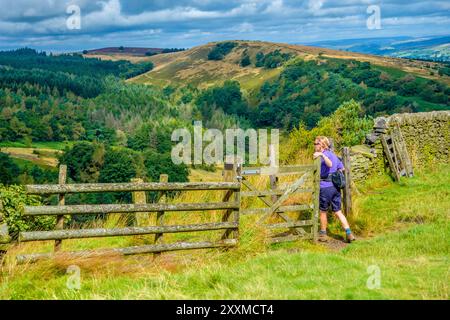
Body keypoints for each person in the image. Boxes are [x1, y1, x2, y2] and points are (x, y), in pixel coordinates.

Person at [313, 136, 356, 243]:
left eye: (315, 144)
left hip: (325, 187)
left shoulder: (324, 155)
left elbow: (330, 164)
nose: (314, 145)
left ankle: (323, 235)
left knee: (323, 211)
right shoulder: (333, 155)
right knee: (338, 211)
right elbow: (341, 168)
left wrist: (322, 155)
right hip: (335, 188)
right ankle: (349, 233)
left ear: (321, 145)